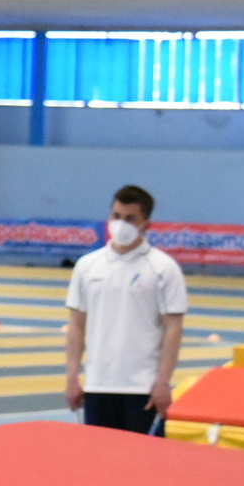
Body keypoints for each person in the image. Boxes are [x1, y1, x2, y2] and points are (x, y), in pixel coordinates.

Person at [64, 185, 186, 432]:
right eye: (116, 216)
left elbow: (173, 329)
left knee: (138, 455)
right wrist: (72, 377)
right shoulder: (87, 266)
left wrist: (163, 382)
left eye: (130, 218)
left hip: (142, 388)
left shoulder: (163, 268)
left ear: (145, 224)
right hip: (97, 385)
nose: (121, 224)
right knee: (98, 454)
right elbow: (76, 325)